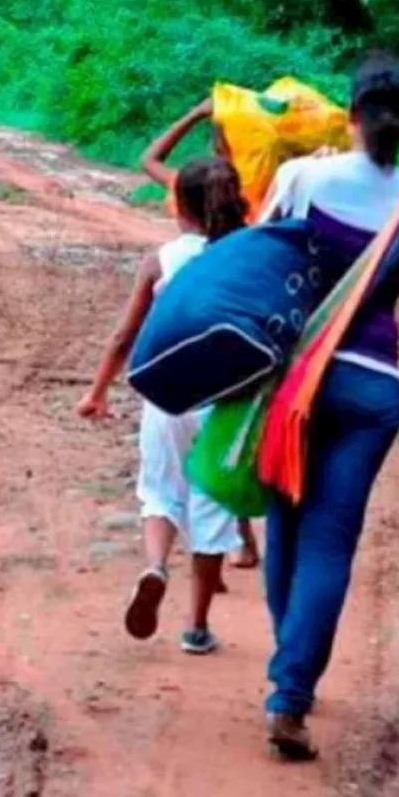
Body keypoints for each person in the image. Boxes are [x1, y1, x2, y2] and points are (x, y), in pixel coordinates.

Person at [259, 55, 399, 760]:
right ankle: (290, 688)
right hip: (372, 391)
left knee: (285, 521)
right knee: (331, 541)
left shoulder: (303, 178)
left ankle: (292, 674)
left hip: (295, 384)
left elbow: (258, 263)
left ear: (350, 111)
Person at [78, 140, 249, 655]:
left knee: (160, 490)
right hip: (228, 399)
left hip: (168, 392)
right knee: (213, 501)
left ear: (183, 206)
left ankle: (154, 566)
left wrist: (98, 391)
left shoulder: (162, 260)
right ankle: (196, 626)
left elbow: (124, 335)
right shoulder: (249, 256)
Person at [141, 101, 262, 572]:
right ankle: (239, 543)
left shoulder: (188, 188)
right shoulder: (251, 205)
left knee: (178, 460)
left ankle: (215, 546)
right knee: (222, 435)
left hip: (180, 353)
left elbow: (148, 159)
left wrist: (191, 112)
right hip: (233, 355)